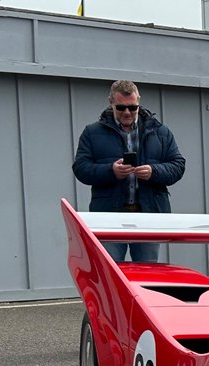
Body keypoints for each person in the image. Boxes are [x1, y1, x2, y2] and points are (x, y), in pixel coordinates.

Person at [72, 79, 186, 263]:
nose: (127, 112)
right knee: (111, 273)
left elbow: (178, 165)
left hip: (148, 217)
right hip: (110, 217)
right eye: (121, 107)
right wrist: (111, 171)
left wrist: (153, 171)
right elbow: (81, 168)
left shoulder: (160, 131)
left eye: (133, 107)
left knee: (147, 275)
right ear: (111, 103)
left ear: (139, 102)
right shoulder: (92, 132)